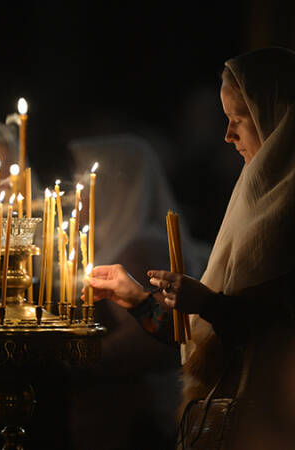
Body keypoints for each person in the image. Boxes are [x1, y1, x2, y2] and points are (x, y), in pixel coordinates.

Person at [87, 47, 295, 447]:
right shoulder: (255, 201)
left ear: (282, 120)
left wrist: (209, 304)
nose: (228, 135)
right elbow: (202, 342)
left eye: (239, 120)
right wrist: (136, 298)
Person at [66, 134, 210, 449]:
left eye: (86, 183)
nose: (77, 196)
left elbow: (152, 342)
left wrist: (72, 357)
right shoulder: (125, 241)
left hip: (137, 418)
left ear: (114, 187)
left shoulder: (143, 248)